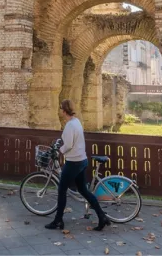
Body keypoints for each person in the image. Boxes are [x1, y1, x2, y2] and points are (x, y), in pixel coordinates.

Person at [45, 99, 110, 231]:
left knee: (62, 190)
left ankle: (58, 220)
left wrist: (59, 151)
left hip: (74, 162)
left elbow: (68, 145)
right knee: (83, 190)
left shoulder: (70, 125)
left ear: (64, 110)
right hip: (82, 160)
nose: (60, 111)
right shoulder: (76, 121)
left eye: (61, 109)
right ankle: (102, 217)